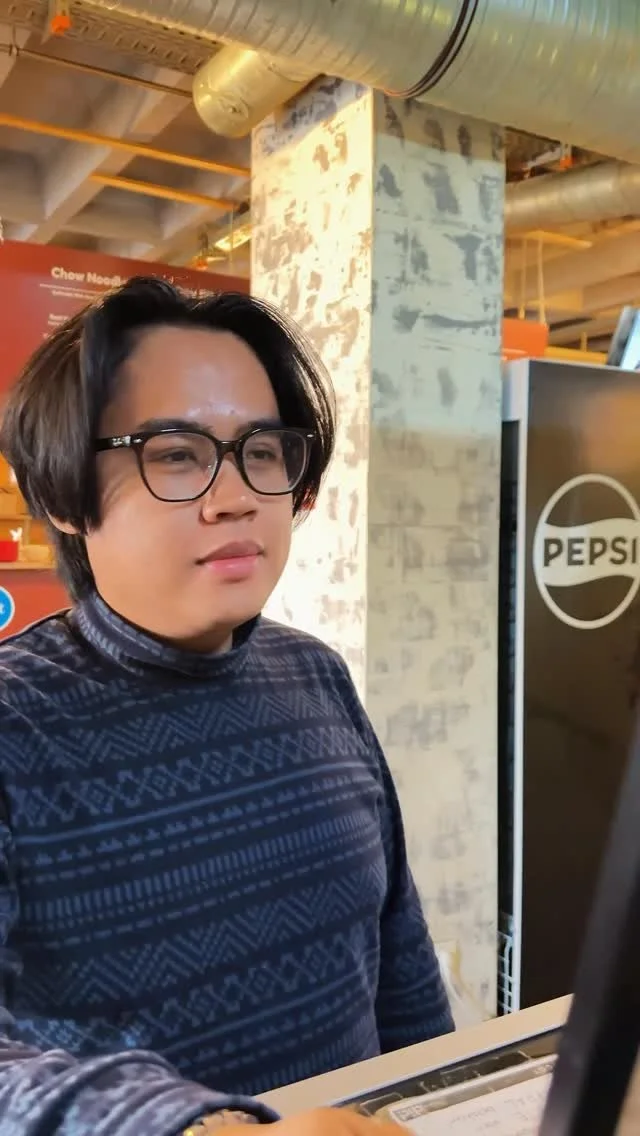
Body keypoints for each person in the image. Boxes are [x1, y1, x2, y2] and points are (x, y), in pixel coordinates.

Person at [0, 277, 453, 1136]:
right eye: (176, 454)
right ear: (62, 495)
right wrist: (199, 1128)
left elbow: (399, 959)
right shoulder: (15, 720)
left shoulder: (315, 675)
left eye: (263, 449)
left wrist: (441, 1101)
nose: (239, 494)